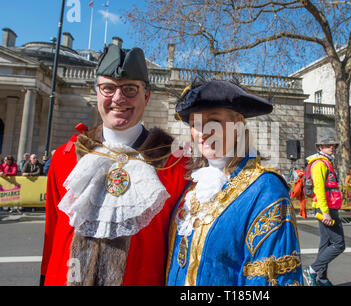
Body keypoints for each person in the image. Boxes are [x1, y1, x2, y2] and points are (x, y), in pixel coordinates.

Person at [40, 44, 189, 286]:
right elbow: (52, 234)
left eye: (130, 89)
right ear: (97, 93)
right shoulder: (64, 157)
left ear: (146, 96)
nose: (118, 98)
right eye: (108, 88)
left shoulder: (174, 164)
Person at [165, 79, 303, 286]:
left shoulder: (265, 189)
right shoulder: (193, 186)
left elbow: (270, 279)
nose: (203, 132)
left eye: (214, 121)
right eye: (195, 124)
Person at [303, 136, 345, 286]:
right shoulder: (320, 164)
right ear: (320, 148)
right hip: (326, 208)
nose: (331, 147)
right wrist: (325, 212)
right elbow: (319, 189)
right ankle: (312, 270)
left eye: (333, 145)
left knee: (325, 243)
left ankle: (322, 278)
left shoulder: (327, 162)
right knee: (339, 244)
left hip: (328, 207)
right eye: (327, 145)